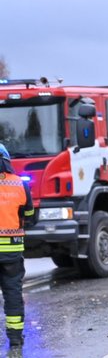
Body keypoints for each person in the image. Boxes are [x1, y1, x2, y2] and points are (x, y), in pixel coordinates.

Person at [0, 143, 35, 347]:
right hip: (12, 252)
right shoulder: (20, 184)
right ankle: (15, 338)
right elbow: (30, 214)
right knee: (13, 293)